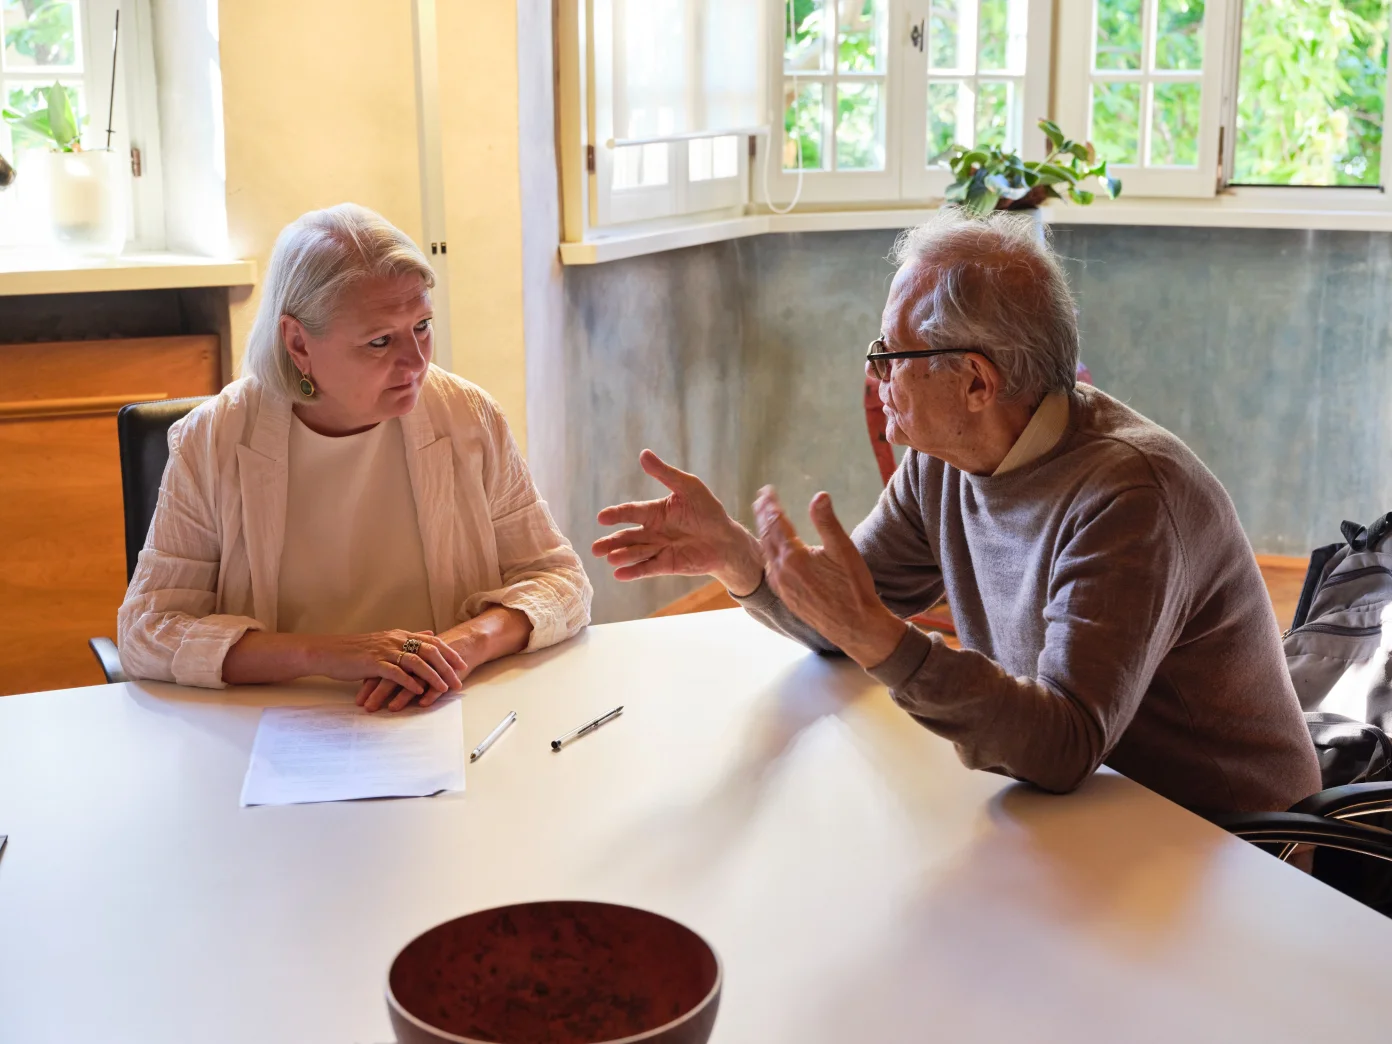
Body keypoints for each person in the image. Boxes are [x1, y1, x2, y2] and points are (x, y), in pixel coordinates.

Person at [593, 210, 1321, 815]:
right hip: (1101, 819)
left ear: (976, 383)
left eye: (891, 353)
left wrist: (882, 637)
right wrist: (738, 558)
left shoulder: (1129, 497)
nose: (875, 374)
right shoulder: (942, 463)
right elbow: (846, 615)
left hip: (1231, 846)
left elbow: (1063, 745)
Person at [118, 204, 591, 711]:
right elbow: (147, 630)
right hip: (276, 721)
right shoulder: (213, 438)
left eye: (423, 326)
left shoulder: (467, 415)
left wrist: (457, 648)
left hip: (437, 707)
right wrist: (330, 654)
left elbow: (561, 582)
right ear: (298, 342)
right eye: (380, 341)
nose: (416, 362)